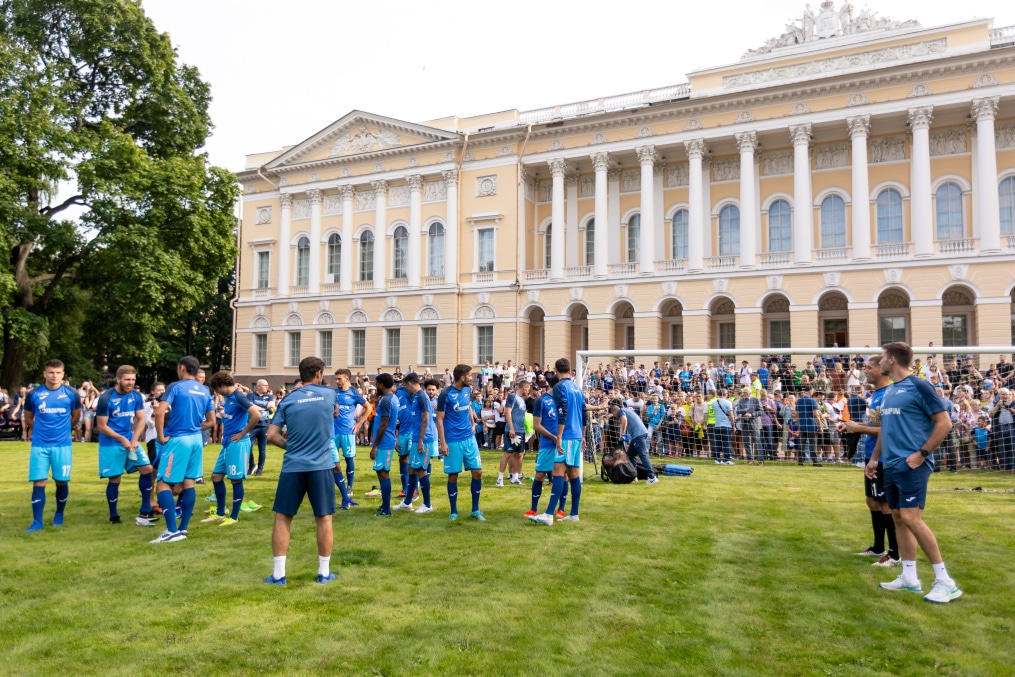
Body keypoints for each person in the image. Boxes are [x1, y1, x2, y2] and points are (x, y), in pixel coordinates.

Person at [867, 342, 961, 603]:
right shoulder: (890, 390)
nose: (880, 361)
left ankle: (945, 582)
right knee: (898, 518)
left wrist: (922, 453)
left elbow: (944, 423)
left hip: (912, 464)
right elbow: (886, 429)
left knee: (911, 517)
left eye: (882, 357)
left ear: (892, 359)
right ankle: (909, 577)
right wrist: (874, 459)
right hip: (891, 464)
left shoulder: (919, 386)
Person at [261, 358, 339, 586]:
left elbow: (271, 435)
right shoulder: (329, 394)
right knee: (324, 518)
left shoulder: (288, 399)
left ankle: (278, 575)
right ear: (318, 373)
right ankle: (324, 573)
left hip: (293, 466)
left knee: (283, 517)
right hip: (321, 465)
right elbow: (335, 413)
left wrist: (292, 446)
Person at [150, 356, 215, 544]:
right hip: (196, 440)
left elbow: (159, 411)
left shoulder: (176, 386)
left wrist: (161, 436)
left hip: (178, 439)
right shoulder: (204, 390)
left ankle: (171, 531)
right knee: (189, 483)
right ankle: (183, 529)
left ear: (182, 368)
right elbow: (211, 421)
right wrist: (194, 427)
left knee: (163, 483)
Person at [840, 356, 899, 567]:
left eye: (869, 367)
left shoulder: (889, 395)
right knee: (872, 501)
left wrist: (859, 428)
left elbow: (888, 429)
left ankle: (894, 553)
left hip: (884, 457)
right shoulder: (875, 395)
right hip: (871, 455)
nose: (865, 371)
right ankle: (878, 547)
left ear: (882, 370)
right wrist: (852, 425)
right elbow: (874, 424)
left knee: (885, 504)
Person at [23, 359, 82, 532]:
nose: (54, 376)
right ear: (44, 374)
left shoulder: (71, 393)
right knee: (39, 481)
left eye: (57, 373)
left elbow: (76, 417)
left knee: (61, 481)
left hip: (62, 445)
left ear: (63, 374)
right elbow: (28, 418)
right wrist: (40, 430)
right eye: (50, 372)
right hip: (39, 445)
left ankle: (59, 514)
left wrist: (63, 430)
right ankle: (37, 522)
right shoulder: (34, 394)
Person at [530, 358, 586, 524]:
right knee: (573, 474)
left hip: (566, 435)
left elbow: (562, 412)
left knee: (558, 472)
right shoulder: (577, 388)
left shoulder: (560, 387)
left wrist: (559, 436)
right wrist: (583, 436)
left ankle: (548, 514)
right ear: (570, 370)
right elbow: (584, 413)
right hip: (576, 435)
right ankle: (574, 514)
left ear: (555, 370)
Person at [95, 365, 152, 526]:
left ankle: (146, 509)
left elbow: (141, 420)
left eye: (133, 379)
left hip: (129, 440)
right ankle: (114, 515)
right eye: (127, 379)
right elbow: (102, 426)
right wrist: (121, 439)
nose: (130, 382)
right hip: (111, 443)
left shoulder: (136, 396)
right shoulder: (106, 398)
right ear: (118, 379)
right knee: (115, 477)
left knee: (147, 469)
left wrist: (135, 439)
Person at [202, 371, 261, 526]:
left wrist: (243, 432)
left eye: (216, 389)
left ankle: (233, 517)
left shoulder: (239, 396)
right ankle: (220, 513)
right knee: (216, 476)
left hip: (238, 443)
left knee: (235, 479)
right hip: (228, 442)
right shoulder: (228, 397)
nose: (216, 392)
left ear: (222, 385)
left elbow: (256, 415)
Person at [436, 364, 485, 521]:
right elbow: (439, 419)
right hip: (452, 440)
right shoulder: (445, 394)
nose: (472, 378)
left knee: (477, 472)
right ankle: (454, 512)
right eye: (470, 375)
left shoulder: (467, 390)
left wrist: (472, 423)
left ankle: (475, 510)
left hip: (469, 438)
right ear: (462, 377)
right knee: (453, 476)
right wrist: (443, 443)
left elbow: (468, 407)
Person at [393, 374, 435, 513]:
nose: (405, 388)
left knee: (421, 471)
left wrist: (421, 440)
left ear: (410, 384)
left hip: (424, 439)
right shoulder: (416, 396)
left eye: (405, 385)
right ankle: (407, 502)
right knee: (411, 469)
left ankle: (427, 505)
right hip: (416, 438)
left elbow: (425, 419)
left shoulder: (422, 396)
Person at [333, 368, 370, 508]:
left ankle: (349, 487)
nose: (337, 381)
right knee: (331, 461)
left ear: (347, 379)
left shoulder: (354, 393)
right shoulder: (333, 393)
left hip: (348, 432)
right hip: (333, 432)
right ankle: (332, 485)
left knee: (349, 459)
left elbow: (369, 408)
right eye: (336, 379)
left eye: (339, 379)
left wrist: (359, 423)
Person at [526, 373, 561, 517]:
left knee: (562, 476)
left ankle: (561, 509)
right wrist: (553, 437)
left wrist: (597, 407)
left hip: (562, 443)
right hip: (548, 444)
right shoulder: (541, 400)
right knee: (540, 475)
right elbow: (537, 425)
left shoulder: (563, 399)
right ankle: (533, 508)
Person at [609, 402, 659, 486]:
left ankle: (652, 477)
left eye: (613, 414)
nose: (614, 416)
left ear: (614, 412)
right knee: (630, 454)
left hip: (638, 434)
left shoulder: (621, 411)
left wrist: (623, 432)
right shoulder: (626, 410)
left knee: (643, 455)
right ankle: (634, 475)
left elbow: (624, 419)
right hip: (639, 434)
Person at [370, 373, 399, 516]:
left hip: (384, 442)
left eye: (376, 384)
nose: (375, 386)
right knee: (382, 472)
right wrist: (376, 403)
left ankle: (386, 509)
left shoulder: (387, 400)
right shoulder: (391, 398)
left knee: (382, 473)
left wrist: (375, 445)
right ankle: (384, 505)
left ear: (381, 385)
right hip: (386, 440)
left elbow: (384, 424)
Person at [497, 380, 530, 486]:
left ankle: (515, 477)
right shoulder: (513, 397)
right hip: (512, 430)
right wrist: (511, 428)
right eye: (528, 389)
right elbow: (507, 412)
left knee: (519, 454)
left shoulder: (522, 399)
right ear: (524, 387)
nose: (528, 392)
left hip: (521, 430)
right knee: (508, 453)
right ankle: (500, 479)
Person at [247, 379, 275, 476]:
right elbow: (250, 406)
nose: (267, 387)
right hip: (253, 425)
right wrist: (264, 407)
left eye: (267, 385)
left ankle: (260, 469)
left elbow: (271, 405)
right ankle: (252, 465)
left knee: (262, 449)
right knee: (248, 446)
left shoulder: (269, 396)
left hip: (264, 424)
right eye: (265, 385)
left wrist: (256, 404)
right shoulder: (250, 395)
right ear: (258, 386)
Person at [393, 381, 413, 502]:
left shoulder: (405, 391)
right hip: (402, 432)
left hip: (412, 431)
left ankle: (413, 489)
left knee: (411, 459)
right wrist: (395, 438)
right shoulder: (393, 398)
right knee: (402, 458)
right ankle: (405, 489)